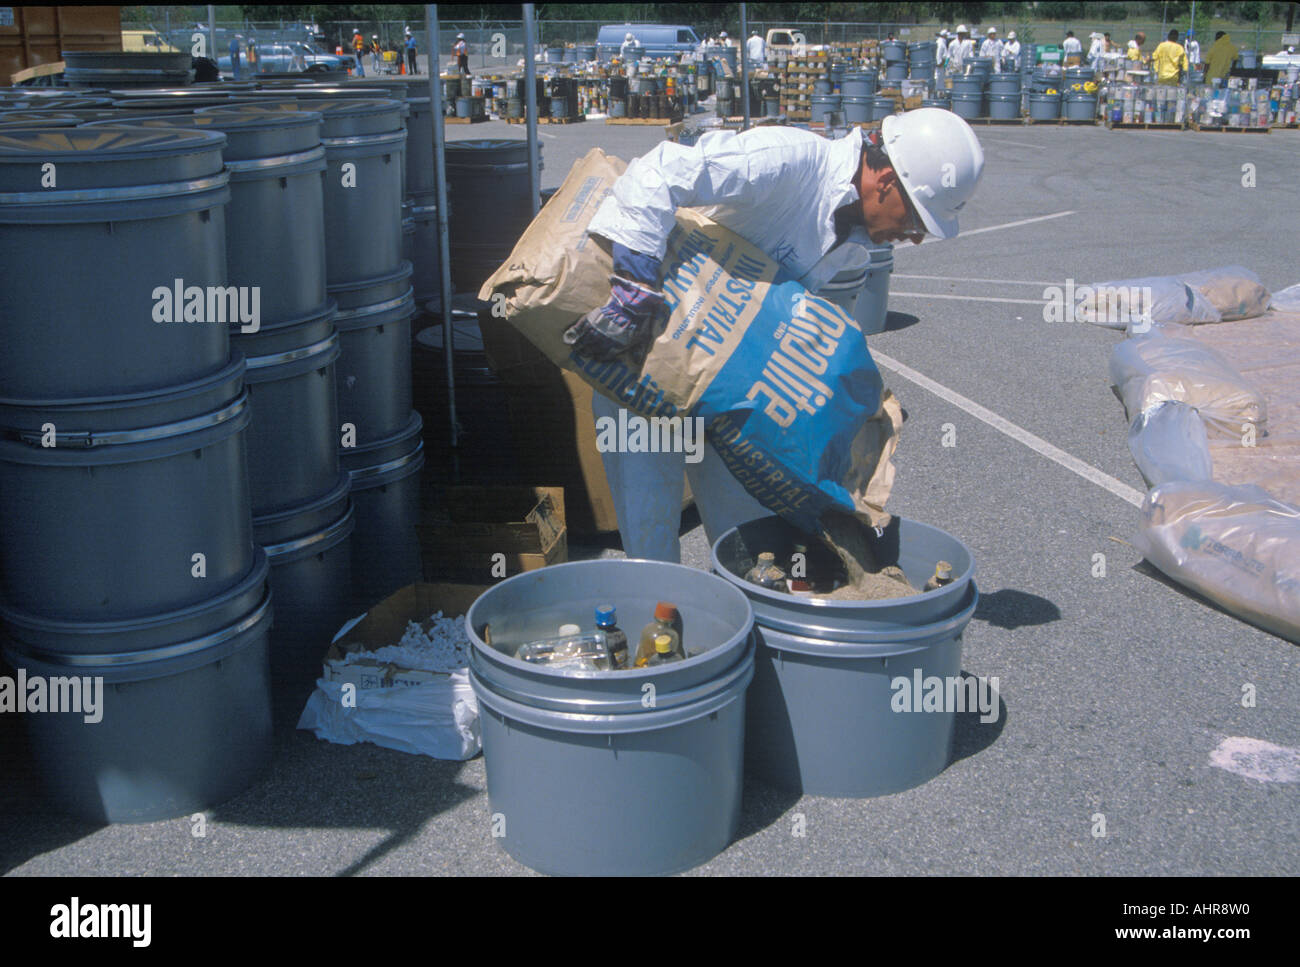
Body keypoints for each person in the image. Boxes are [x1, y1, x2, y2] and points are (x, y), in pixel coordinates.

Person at [565, 111, 986, 561]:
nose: (916, 237)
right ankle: (660, 620)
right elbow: (659, 170)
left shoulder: (850, 238)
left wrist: (853, 399)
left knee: (749, 543)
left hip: (726, 394)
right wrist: (635, 281)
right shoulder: (789, 160)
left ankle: (747, 622)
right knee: (651, 544)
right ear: (885, 180)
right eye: (918, 218)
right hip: (646, 363)